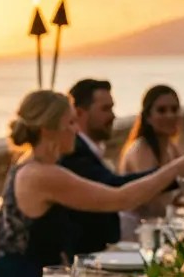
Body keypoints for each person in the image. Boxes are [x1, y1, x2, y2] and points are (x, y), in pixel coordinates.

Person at [0, 90, 184, 277]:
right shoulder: (41, 175)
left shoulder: (35, 165)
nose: (76, 129)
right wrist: (176, 168)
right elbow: (120, 198)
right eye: (71, 122)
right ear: (47, 130)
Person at [56, 78, 152, 254]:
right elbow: (116, 190)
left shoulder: (91, 149)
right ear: (79, 114)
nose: (113, 115)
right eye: (105, 109)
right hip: (86, 259)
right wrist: (174, 171)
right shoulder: (74, 154)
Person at [118, 84, 184, 240]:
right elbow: (153, 200)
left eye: (174, 109)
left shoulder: (171, 148)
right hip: (137, 233)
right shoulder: (140, 150)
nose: (170, 115)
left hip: (160, 229)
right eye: (162, 110)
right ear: (148, 117)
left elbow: (177, 195)